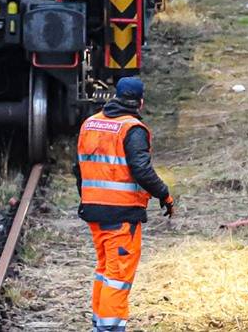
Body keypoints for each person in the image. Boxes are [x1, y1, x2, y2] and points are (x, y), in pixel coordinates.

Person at [76, 75, 173, 332]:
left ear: (115, 96)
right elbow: (141, 170)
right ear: (140, 102)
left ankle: (99, 323)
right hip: (121, 216)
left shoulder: (90, 123)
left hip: (94, 212)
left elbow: (79, 169)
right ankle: (109, 329)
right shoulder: (132, 129)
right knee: (118, 277)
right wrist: (164, 194)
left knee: (105, 270)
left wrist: (87, 198)